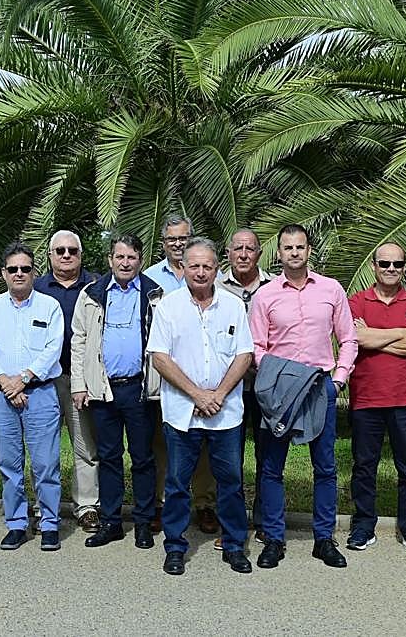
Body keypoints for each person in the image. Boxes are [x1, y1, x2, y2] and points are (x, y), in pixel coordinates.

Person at [249, 224, 357, 570]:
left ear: (309, 251)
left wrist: (338, 380)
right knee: (271, 467)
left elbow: (348, 338)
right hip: (279, 392)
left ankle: (323, 539)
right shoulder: (265, 295)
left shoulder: (331, 289)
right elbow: (256, 346)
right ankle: (273, 538)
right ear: (278, 253)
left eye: (300, 247)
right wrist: (276, 377)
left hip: (319, 387)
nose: (294, 252)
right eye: (287, 247)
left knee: (325, 467)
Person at [147, 237, 254, 576]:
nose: (201, 272)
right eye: (194, 266)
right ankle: (175, 548)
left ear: (217, 269)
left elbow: (244, 354)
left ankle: (234, 545)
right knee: (177, 485)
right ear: (183, 268)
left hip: (226, 412)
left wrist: (218, 394)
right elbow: (160, 357)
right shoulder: (168, 307)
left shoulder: (233, 306)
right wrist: (197, 394)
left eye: (207, 266)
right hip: (182, 412)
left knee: (231, 483)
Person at [71, 233, 162, 549]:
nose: (125, 263)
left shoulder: (154, 294)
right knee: (109, 457)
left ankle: (143, 522)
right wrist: (79, 385)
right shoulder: (91, 294)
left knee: (143, 458)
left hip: (139, 389)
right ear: (110, 260)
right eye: (120, 257)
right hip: (103, 390)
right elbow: (79, 340)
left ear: (140, 260)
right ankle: (111, 522)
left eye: (131, 257)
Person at [0, 242, 65, 551]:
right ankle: (16, 523)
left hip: (40, 393)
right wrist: (6, 383)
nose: (19, 274)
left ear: (34, 272)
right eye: (13, 269)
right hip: (1, 397)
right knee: (9, 464)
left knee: (46, 464)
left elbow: (53, 348)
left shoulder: (49, 307)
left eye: (25, 268)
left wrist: (23, 379)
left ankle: (49, 523)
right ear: (3, 273)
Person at [346, 242, 406, 555]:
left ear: (404, 267)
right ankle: (363, 526)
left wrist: (376, 337)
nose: (391, 269)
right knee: (364, 467)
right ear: (374, 266)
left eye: (397, 264)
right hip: (367, 397)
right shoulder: (356, 301)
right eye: (384, 264)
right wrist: (402, 332)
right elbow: (356, 337)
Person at [143, 215, 217, 535]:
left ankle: (204, 503)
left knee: (204, 445)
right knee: (163, 444)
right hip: (165, 376)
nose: (177, 243)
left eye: (183, 238)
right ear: (163, 243)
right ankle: (163, 503)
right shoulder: (149, 278)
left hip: (205, 378)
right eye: (171, 239)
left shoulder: (211, 276)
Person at [35, 229, 100, 533]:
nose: (66, 255)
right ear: (50, 255)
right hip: (43, 380)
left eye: (72, 250)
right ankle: (43, 508)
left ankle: (87, 506)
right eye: (59, 250)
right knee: (43, 449)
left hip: (80, 380)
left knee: (85, 446)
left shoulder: (96, 286)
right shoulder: (36, 287)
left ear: (80, 255)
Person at [216, 229, 272, 542]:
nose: (243, 254)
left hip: (265, 385)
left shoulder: (274, 286)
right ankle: (231, 525)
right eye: (237, 248)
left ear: (259, 254)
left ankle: (264, 520)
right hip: (227, 387)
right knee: (228, 460)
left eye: (250, 249)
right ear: (228, 253)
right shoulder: (214, 286)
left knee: (267, 456)